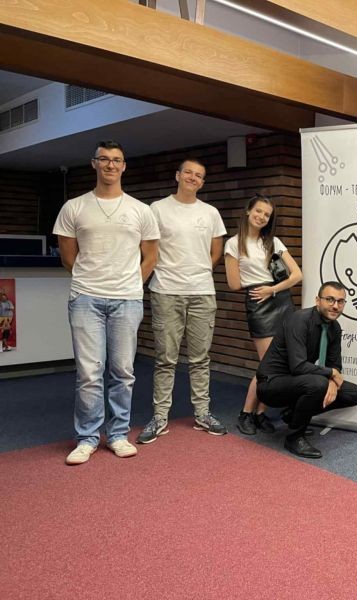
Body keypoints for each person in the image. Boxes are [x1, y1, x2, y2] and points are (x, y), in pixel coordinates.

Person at [53, 140, 160, 465]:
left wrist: (131, 284)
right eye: (104, 159)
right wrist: (92, 280)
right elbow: (68, 257)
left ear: (123, 166)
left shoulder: (140, 210)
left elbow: (150, 256)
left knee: (123, 371)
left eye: (116, 160)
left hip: (127, 300)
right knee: (89, 373)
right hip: (85, 298)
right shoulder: (74, 207)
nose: (110, 165)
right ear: (94, 164)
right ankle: (87, 438)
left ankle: (117, 435)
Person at [136, 158, 228, 445]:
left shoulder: (210, 213)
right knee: (166, 359)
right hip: (166, 291)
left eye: (198, 175)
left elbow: (215, 252)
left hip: (202, 292)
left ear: (202, 182)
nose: (192, 178)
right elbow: (148, 249)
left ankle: (202, 413)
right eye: (188, 172)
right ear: (177, 175)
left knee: (200, 358)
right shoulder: (157, 209)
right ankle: (160, 417)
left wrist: (198, 272)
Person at [255, 281, 357, 458]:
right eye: (330, 299)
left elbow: (334, 364)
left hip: (299, 381)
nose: (335, 306)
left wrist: (332, 382)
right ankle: (294, 438)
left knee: (353, 393)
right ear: (317, 300)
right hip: (271, 384)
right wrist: (330, 374)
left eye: (340, 301)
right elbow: (298, 366)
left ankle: (294, 415)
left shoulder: (334, 328)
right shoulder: (299, 320)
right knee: (318, 384)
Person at [225, 194, 302, 434]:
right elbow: (233, 284)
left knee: (280, 364)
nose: (261, 217)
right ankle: (246, 413)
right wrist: (260, 286)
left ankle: (260, 414)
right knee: (268, 365)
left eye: (267, 215)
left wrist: (272, 289)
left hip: (281, 301)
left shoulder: (273, 242)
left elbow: (297, 275)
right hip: (259, 303)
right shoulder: (234, 244)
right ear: (249, 211)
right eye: (258, 211)